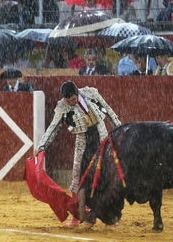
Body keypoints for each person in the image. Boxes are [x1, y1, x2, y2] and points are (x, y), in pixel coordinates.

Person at [34, 80, 121, 226]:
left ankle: (110, 215)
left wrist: (120, 129)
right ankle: (76, 215)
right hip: (83, 140)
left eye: (73, 99)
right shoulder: (62, 107)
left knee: (104, 175)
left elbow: (109, 110)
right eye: (68, 100)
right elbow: (53, 127)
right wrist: (42, 145)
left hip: (101, 136)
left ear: (77, 93)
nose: (72, 102)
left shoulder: (91, 93)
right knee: (78, 177)